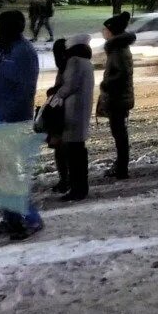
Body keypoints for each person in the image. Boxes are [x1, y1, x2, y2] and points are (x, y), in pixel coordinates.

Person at [0, 10, 42, 241]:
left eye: (0, 26)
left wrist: (5, 115)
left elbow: (23, 90)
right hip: (2, 118)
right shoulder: (10, 50)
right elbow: (4, 82)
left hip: (13, 121)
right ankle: (11, 219)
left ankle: (32, 219)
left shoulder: (22, 52)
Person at [53, 34, 94, 200]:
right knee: (78, 151)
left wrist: (56, 95)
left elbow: (69, 86)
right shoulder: (86, 62)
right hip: (81, 110)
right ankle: (80, 187)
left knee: (74, 153)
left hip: (73, 110)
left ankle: (77, 189)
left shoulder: (74, 62)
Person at [97, 11, 136, 179]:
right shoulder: (116, 48)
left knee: (119, 133)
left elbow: (122, 74)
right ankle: (121, 166)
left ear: (112, 30)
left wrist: (106, 84)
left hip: (118, 98)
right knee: (118, 133)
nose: (102, 32)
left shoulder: (118, 50)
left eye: (105, 29)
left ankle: (122, 168)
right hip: (117, 97)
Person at [45, 38, 70, 193]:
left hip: (62, 113)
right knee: (61, 148)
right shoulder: (66, 66)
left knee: (61, 148)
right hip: (61, 112)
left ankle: (65, 179)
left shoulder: (66, 67)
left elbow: (64, 88)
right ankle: (64, 179)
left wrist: (53, 92)